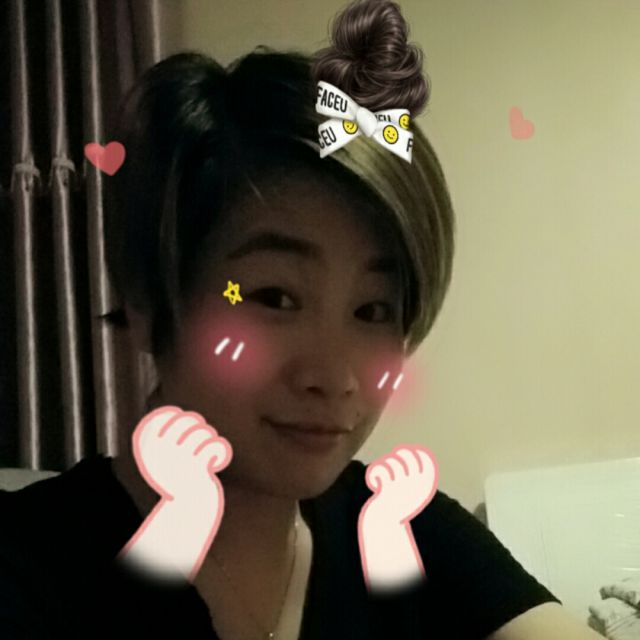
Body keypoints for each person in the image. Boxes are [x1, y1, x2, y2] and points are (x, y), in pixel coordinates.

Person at [0, 1, 603, 638]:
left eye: (373, 310)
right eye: (273, 297)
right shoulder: (31, 564)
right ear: (151, 304)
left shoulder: (398, 524)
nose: (336, 378)